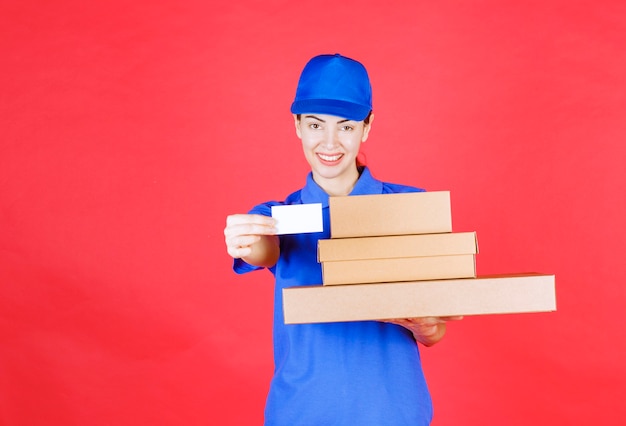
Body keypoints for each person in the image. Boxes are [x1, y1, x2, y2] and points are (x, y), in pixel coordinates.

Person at [224, 53, 461, 426]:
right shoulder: (277, 216)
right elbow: (263, 249)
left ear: (366, 127)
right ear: (297, 125)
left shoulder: (409, 207)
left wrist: (424, 325)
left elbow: (435, 330)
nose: (329, 142)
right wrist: (246, 242)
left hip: (393, 411)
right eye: (316, 125)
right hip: (302, 412)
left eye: (346, 127)